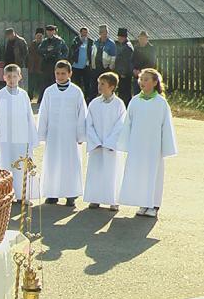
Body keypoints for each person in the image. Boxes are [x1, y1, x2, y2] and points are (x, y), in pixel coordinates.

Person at [117, 68, 177, 218]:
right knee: (140, 173)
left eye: (146, 79)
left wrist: (166, 147)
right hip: (138, 144)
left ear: (155, 82)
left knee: (154, 174)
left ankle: (154, 205)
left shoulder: (160, 102)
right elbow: (128, 123)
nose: (142, 82)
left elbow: (166, 126)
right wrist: (126, 143)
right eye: (141, 79)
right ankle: (143, 202)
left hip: (154, 146)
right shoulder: (135, 101)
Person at [38, 60, 87, 206]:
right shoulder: (49, 91)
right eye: (57, 73)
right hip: (53, 134)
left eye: (63, 73)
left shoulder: (76, 91)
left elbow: (81, 114)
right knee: (53, 162)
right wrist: (42, 134)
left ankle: (70, 193)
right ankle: (52, 193)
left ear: (70, 73)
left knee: (69, 163)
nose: (60, 76)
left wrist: (80, 135)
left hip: (70, 135)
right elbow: (43, 113)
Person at [0, 64, 39, 202]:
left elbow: (29, 117)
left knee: (22, 166)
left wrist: (32, 136)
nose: (12, 79)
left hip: (22, 137)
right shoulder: (0, 95)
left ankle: (23, 195)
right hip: (7, 138)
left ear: (20, 77)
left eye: (14, 76)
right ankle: (6, 195)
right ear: (4, 77)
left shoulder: (24, 95)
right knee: (7, 165)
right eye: (9, 76)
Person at [84, 72, 126, 211]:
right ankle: (95, 198)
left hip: (111, 146)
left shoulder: (119, 104)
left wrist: (110, 141)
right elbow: (88, 123)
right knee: (96, 171)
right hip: (97, 144)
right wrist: (95, 140)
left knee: (112, 171)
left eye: (103, 84)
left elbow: (121, 124)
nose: (99, 86)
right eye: (98, 83)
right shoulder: (94, 103)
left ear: (112, 86)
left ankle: (113, 200)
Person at [37, 25, 68, 103]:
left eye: (51, 31)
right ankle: (42, 99)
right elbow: (40, 50)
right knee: (45, 82)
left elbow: (65, 51)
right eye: (48, 31)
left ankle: (56, 98)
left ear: (54, 31)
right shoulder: (45, 41)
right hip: (46, 64)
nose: (50, 32)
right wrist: (47, 50)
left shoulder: (59, 40)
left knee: (55, 81)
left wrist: (61, 58)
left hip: (55, 63)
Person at [90, 24, 116, 101]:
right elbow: (92, 54)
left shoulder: (111, 43)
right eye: (102, 32)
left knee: (105, 85)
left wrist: (111, 67)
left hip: (105, 67)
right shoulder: (96, 42)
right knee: (94, 86)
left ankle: (106, 99)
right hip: (96, 67)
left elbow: (113, 57)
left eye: (105, 32)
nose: (104, 34)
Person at [69, 27, 94, 99]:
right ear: (80, 33)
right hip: (76, 65)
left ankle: (87, 98)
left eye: (86, 33)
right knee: (77, 83)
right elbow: (73, 48)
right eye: (83, 32)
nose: (85, 34)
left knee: (87, 83)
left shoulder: (90, 41)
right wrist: (80, 42)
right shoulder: (76, 40)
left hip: (86, 65)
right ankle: (77, 97)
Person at [131, 31, 157, 95]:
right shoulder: (136, 48)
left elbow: (151, 63)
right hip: (136, 76)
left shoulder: (151, 49)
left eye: (143, 38)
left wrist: (141, 72)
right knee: (137, 94)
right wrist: (133, 69)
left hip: (147, 77)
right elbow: (132, 60)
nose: (141, 40)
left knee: (146, 94)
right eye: (140, 38)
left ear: (147, 39)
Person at [114, 28, 134, 106]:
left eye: (122, 37)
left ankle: (126, 107)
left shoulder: (127, 47)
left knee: (125, 93)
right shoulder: (120, 45)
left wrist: (123, 72)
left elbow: (127, 62)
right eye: (119, 37)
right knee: (121, 92)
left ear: (125, 37)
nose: (120, 38)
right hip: (119, 72)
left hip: (125, 74)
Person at [28, 27, 45, 102]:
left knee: (41, 85)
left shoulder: (45, 44)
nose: (39, 38)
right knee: (31, 84)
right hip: (32, 67)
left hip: (41, 68)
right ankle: (29, 98)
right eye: (37, 36)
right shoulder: (32, 44)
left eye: (40, 36)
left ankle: (40, 99)